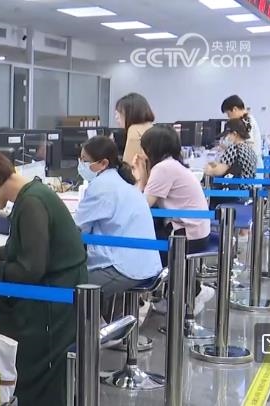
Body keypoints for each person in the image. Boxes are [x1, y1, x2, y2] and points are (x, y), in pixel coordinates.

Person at [0, 146, 86, 405]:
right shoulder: (32, 194)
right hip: (56, 294)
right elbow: (22, 248)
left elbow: (30, 270)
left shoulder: (31, 203)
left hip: (51, 306)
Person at [75, 136, 161, 321]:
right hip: (143, 262)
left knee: (70, 287)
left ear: (103, 163)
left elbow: (77, 230)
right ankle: (111, 323)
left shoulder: (101, 186)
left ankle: (94, 331)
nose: (81, 165)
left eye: (85, 161)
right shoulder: (120, 181)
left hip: (125, 267)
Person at [133, 126, 214, 313]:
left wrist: (140, 177)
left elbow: (142, 205)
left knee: (142, 248)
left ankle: (190, 294)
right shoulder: (171, 165)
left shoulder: (163, 168)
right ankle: (191, 291)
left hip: (187, 234)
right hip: (196, 230)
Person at [204, 118, 257, 208]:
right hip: (247, 193)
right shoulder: (249, 149)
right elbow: (233, 166)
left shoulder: (234, 149)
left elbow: (218, 171)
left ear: (235, 134)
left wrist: (205, 169)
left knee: (206, 197)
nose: (226, 138)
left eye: (227, 135)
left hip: (235, 193)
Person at [222, 94, 266, 165]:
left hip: (252, 163)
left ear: (235, 109)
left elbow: (248, 145)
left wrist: (229, 149)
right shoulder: (244, 120)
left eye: (228, 114)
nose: (229, 117)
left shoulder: (247, 121)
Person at [116, 93, 156, 166]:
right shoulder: (150, 126)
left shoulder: (134, 130)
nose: (116, 117)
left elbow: (129, 165)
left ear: (130, 113)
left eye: (119, 113)